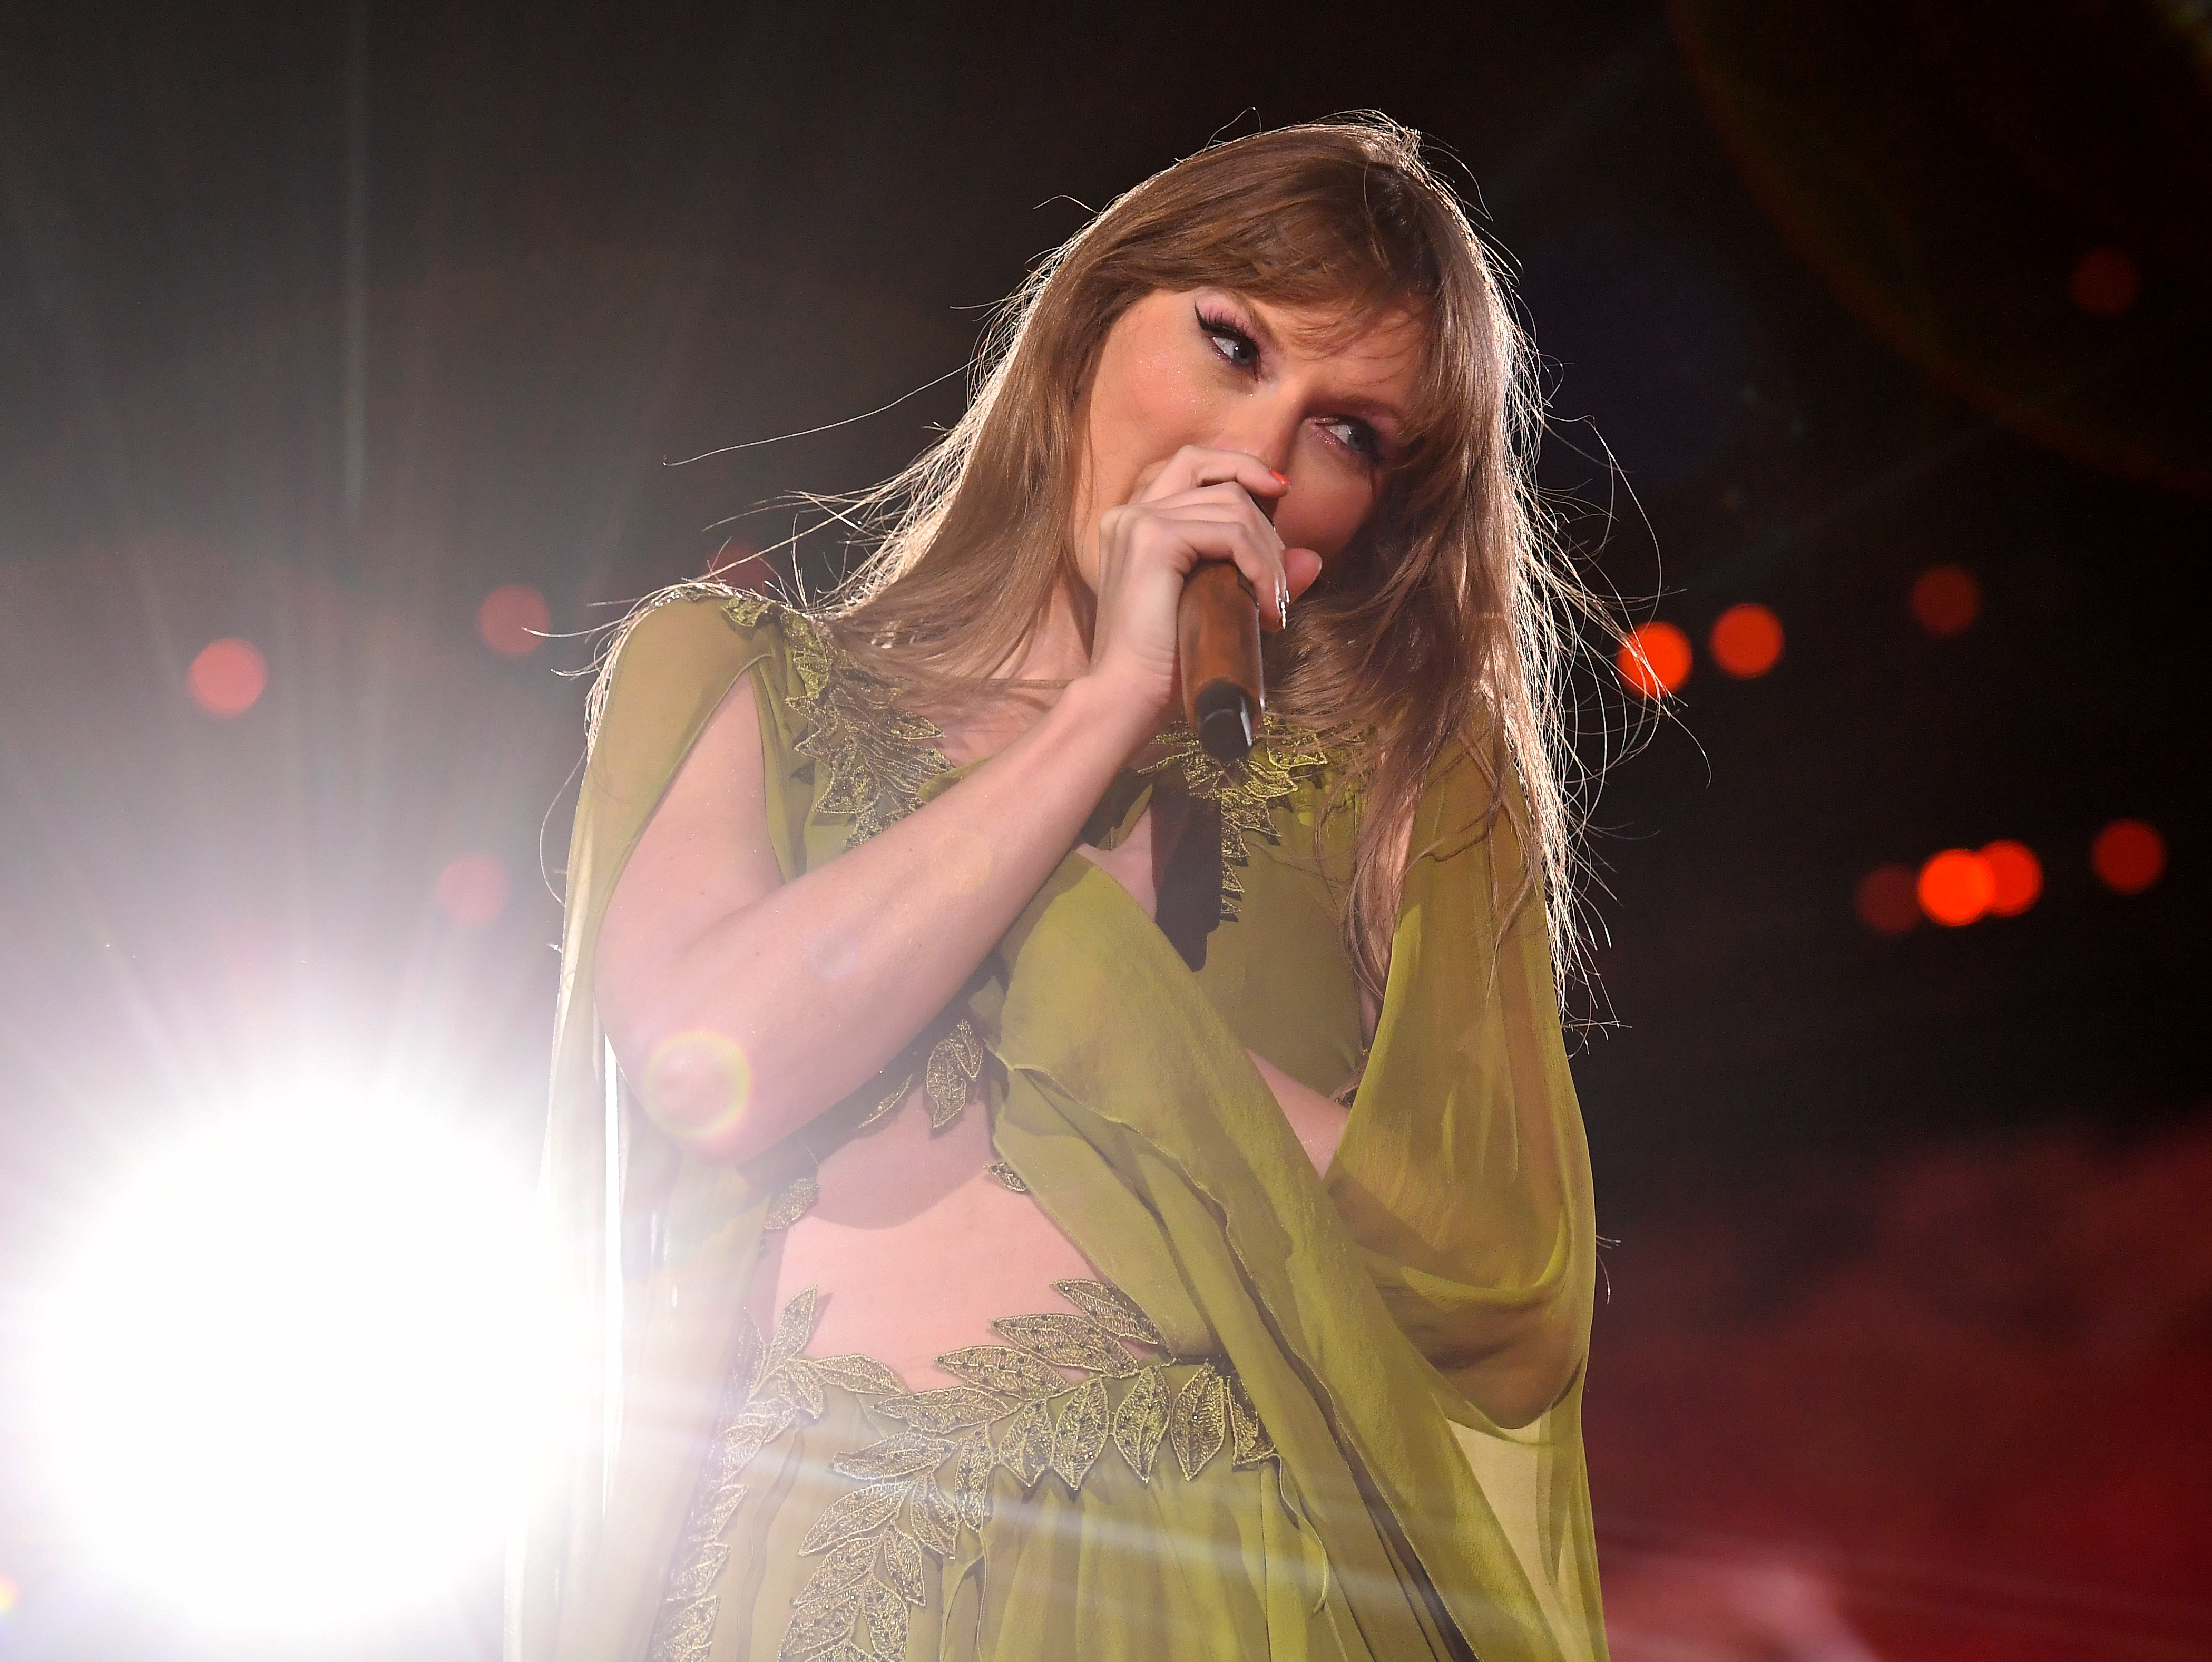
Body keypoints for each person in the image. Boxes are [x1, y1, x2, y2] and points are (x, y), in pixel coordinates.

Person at [517, 118, 1604, 1662]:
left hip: (1213, 1582)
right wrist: (1102, 712)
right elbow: (711, 1059)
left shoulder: (1408, 766)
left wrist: (1118, 1023)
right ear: (1091, 318)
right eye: (1231, 344)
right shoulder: (739, 675)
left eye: (1351, 433)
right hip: (802, 1579)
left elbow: (1500, 1270)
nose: (1266, 457)